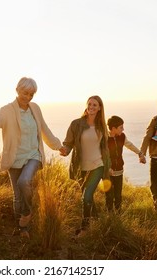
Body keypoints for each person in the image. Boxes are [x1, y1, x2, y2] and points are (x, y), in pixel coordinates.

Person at [0, 77, 62, 239]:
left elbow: (44, 129)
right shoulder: (7, 110)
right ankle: (23, 228)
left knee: (24, 181)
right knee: (17, 196)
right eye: (26, 93)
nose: (29, 97)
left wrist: (58, 146)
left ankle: (28, 212)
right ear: (17, 90)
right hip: (14, 158)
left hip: (33, 155)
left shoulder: (35, 108)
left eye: (32, 94)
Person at [60, 95, 110, 237]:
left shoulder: (102, 126)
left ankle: (84, 228)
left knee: (86, 196)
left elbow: (105, 149)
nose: (91, 107)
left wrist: (108, 166)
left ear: (100, 108)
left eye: (95, 105)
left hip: (98, 166)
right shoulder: (76, 124)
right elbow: (68, 143)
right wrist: (65, 151)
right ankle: (97, 221)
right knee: (87, 197)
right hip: (81, 167)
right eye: (89, 104)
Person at [106, 115, 146, 213]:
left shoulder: (122, 137)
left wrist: (140, 153)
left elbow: (130, 145)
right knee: (109, 194)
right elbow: (100, 154)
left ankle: (118, 214)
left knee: (118, 194)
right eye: (121, 127)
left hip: (119, 170)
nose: (123, 129)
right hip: (107, 172)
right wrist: (107, 167)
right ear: (113, 128)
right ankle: (109, 215)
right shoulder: (104, 138)